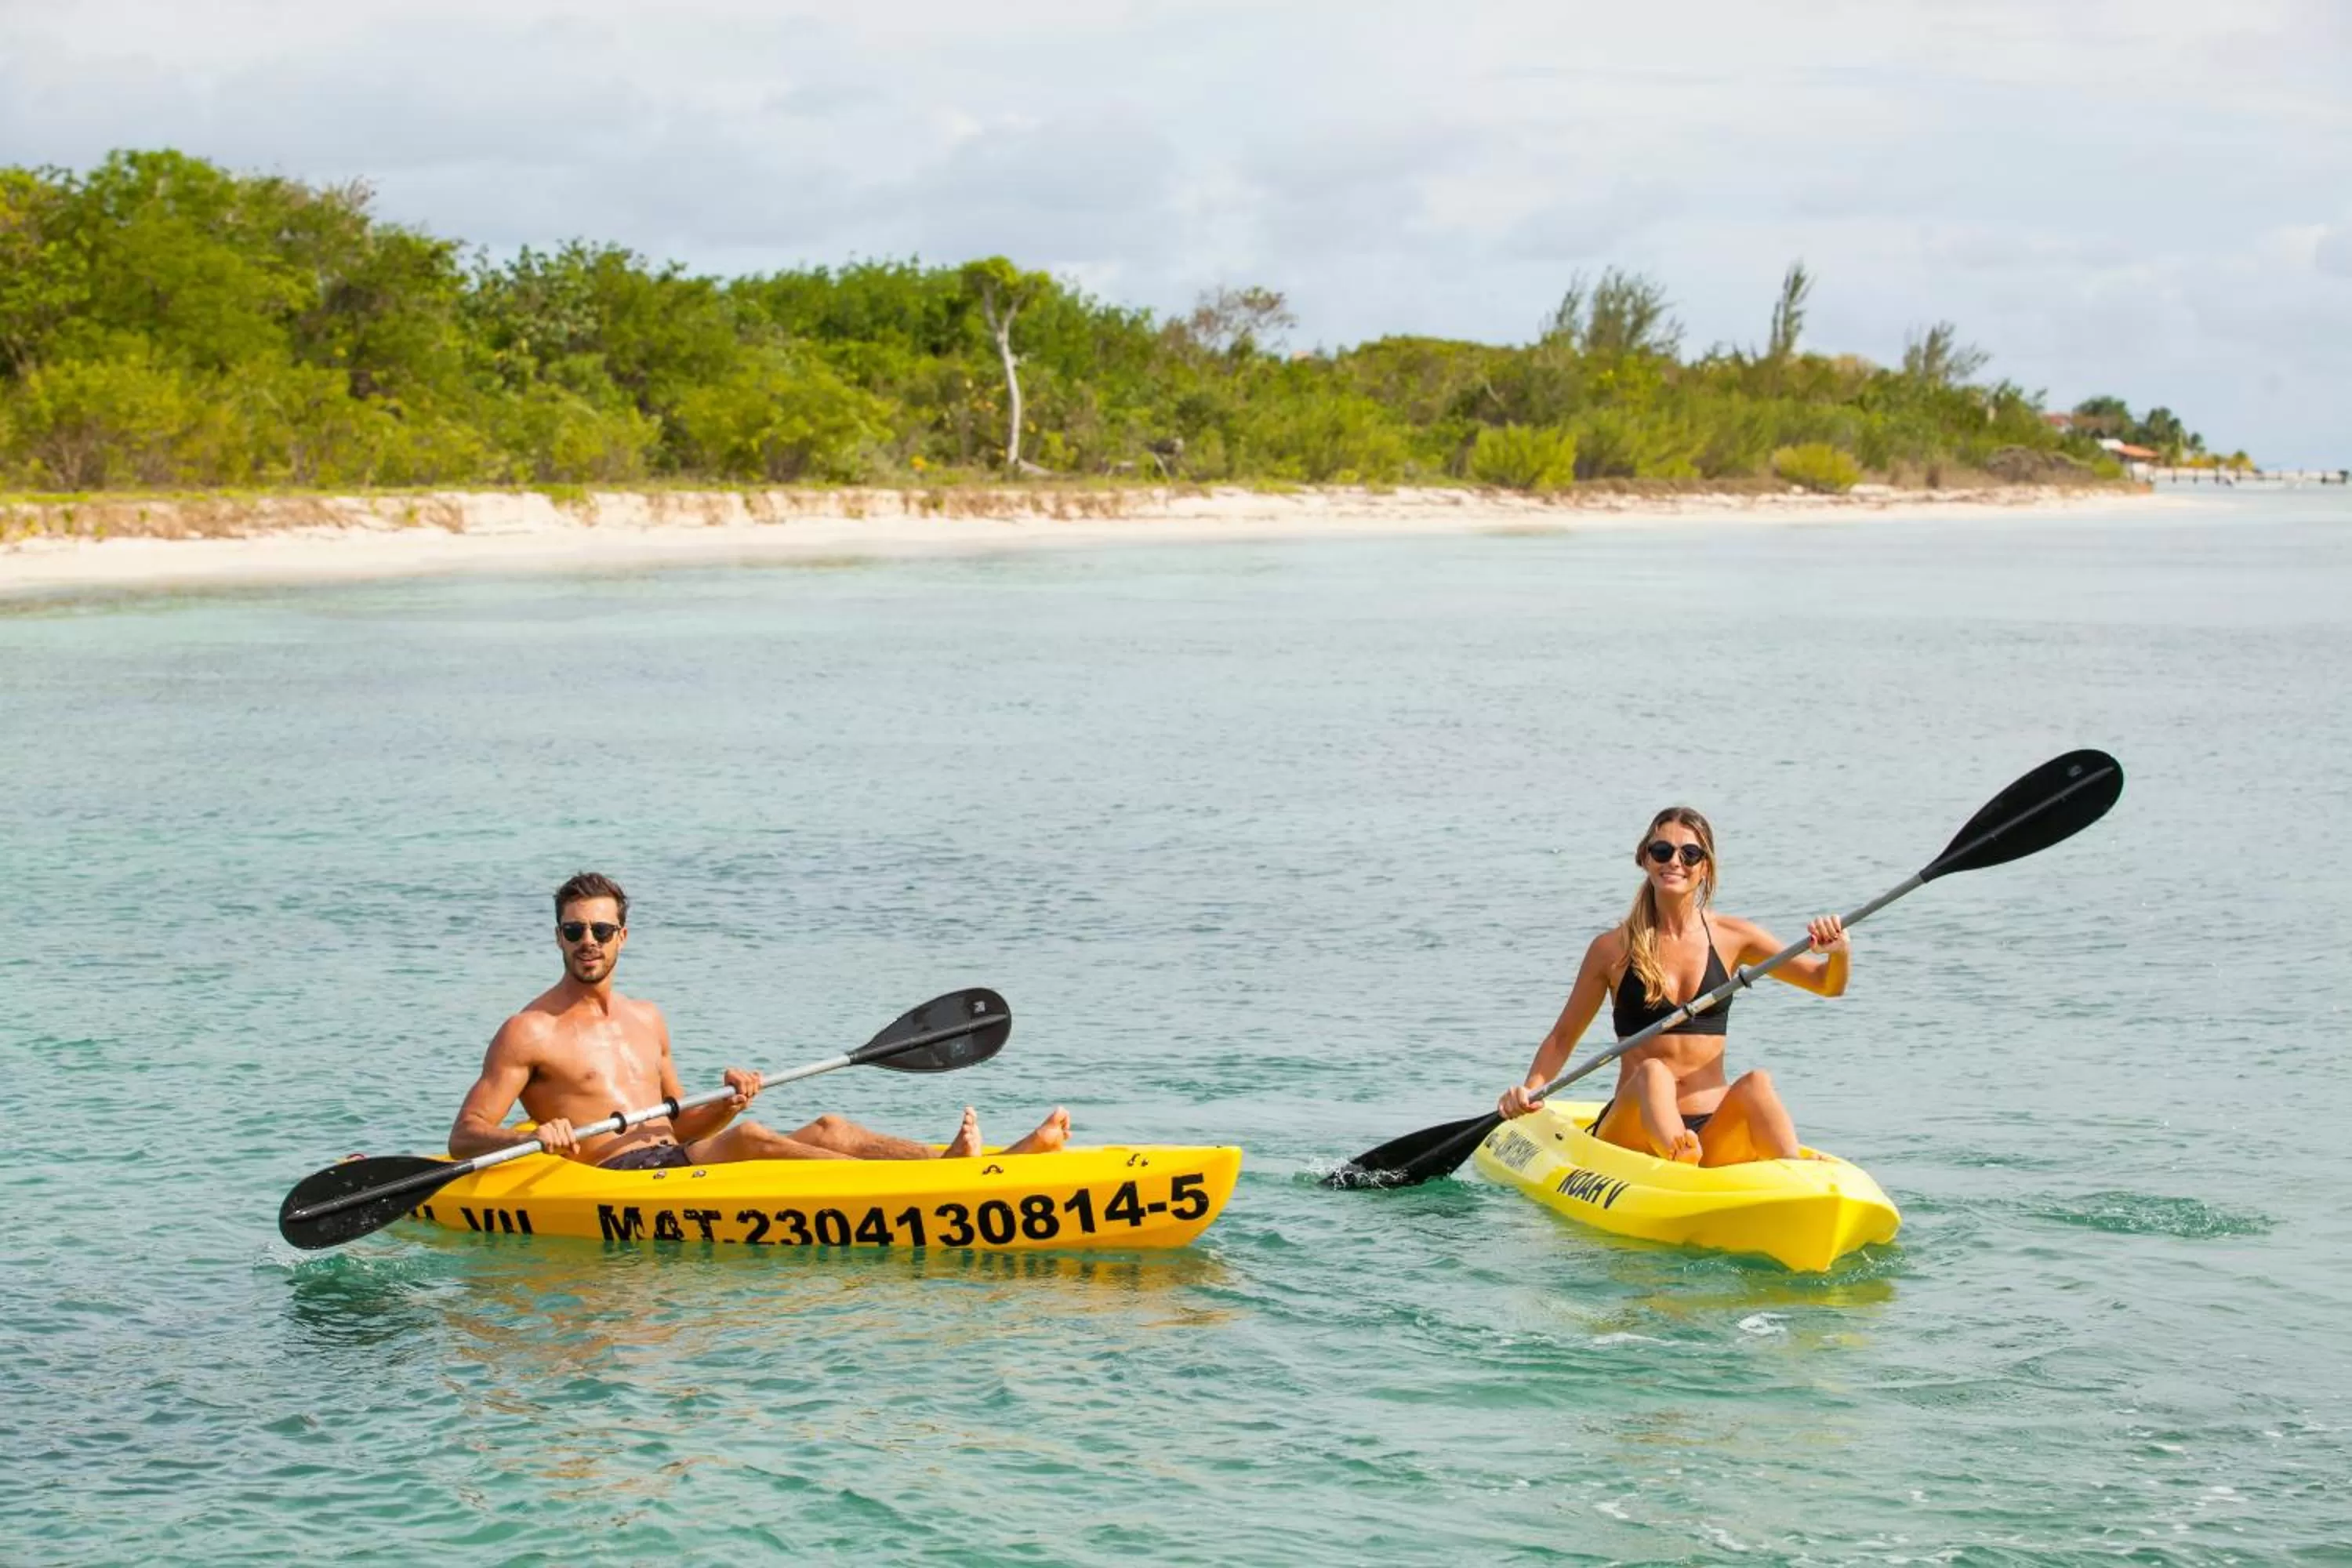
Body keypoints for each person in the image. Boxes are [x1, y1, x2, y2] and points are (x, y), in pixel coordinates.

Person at [449, 872, 1071, 1168]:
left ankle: (961, 1169)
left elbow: (680, 1119)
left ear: (622, 937)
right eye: (575, 930)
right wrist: (533, 1137)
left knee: (828, 1125)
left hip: (677, 1157)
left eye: (601, 930)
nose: (589, 941)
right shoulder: (529, 1030)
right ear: (558, 938)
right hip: (615, 1175)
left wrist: (728, 1103)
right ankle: (935, 1190)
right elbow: (467, 1135)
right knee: (749, 1145)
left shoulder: (647, 1018)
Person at [1495, 808, 1847, 1165]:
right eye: (1662, 851)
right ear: (1645, 859)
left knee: (1757, 1084)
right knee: (1653, 1072)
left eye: (1689, 854)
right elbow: (1563, 1037)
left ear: (1705, 866)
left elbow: (1826, 985)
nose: (1674, 862)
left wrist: (1838, 952)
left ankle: (1795, 1176)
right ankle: (1676, 1157)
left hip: (1708, 1130)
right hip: (1632, 1132)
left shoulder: (1734, 937)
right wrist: (1530, 1089)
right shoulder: (1612, 949)